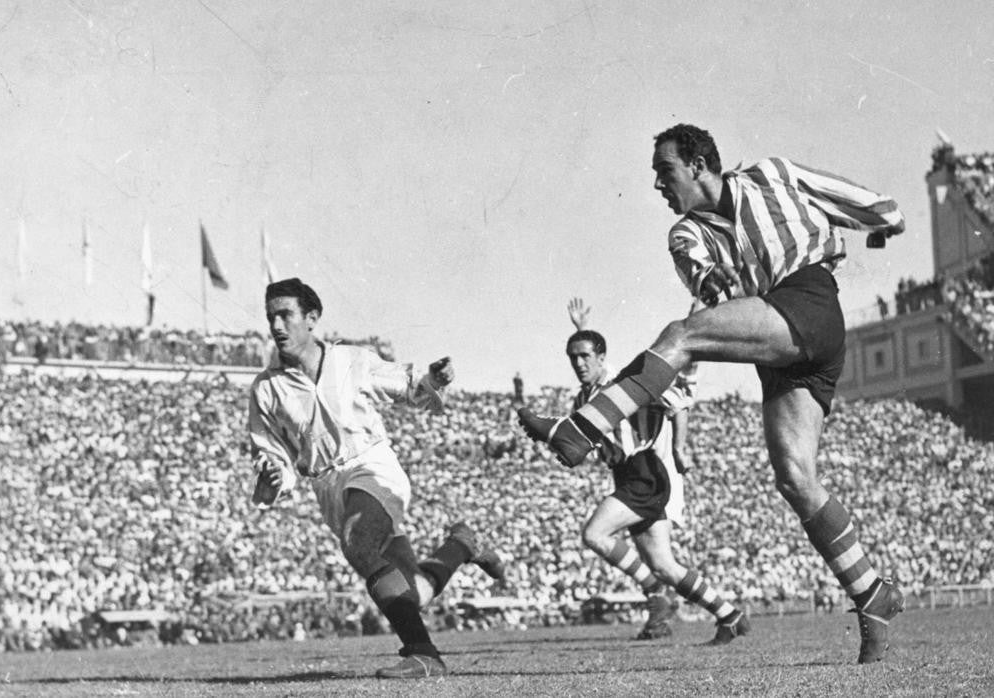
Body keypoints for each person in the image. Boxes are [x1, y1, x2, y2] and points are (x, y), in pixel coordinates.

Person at [518, 124, 906, 664]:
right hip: (776, 341)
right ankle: (871, 593)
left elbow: (870, 204)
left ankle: (578, 428)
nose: (657, 184)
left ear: (698, 164)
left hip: (809, 303)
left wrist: (885, 222)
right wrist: (713, 286)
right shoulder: (686, 234)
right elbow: (707, 285)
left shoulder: (773, 175)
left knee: (681, 336)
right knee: (795, 479)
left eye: (665, 170)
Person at [248, 278, 505, 679]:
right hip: (328, 487)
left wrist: (435, 380)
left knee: (358, 542)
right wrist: (272, 472)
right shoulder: (266, 388)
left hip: (371, 466)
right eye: (271, 317)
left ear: (312, 318)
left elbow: (409, 387)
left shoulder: (351, 360)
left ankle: (423, 654)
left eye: (286, 315)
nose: (277, 326)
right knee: (414, 593)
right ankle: (461, 545)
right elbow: (272, 454)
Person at [560, 300, 748, 643]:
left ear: (602, 357)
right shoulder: (583, 398)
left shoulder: (622, 383)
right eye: (573, 358)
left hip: (645, 473)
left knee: (595, 534)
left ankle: (654, 593)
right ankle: (729, 615)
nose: (578, 363)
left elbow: (678, 403)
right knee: (664, 564)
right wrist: (582, 331)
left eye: (585, 356)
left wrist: (679, 447)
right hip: (629, 476)